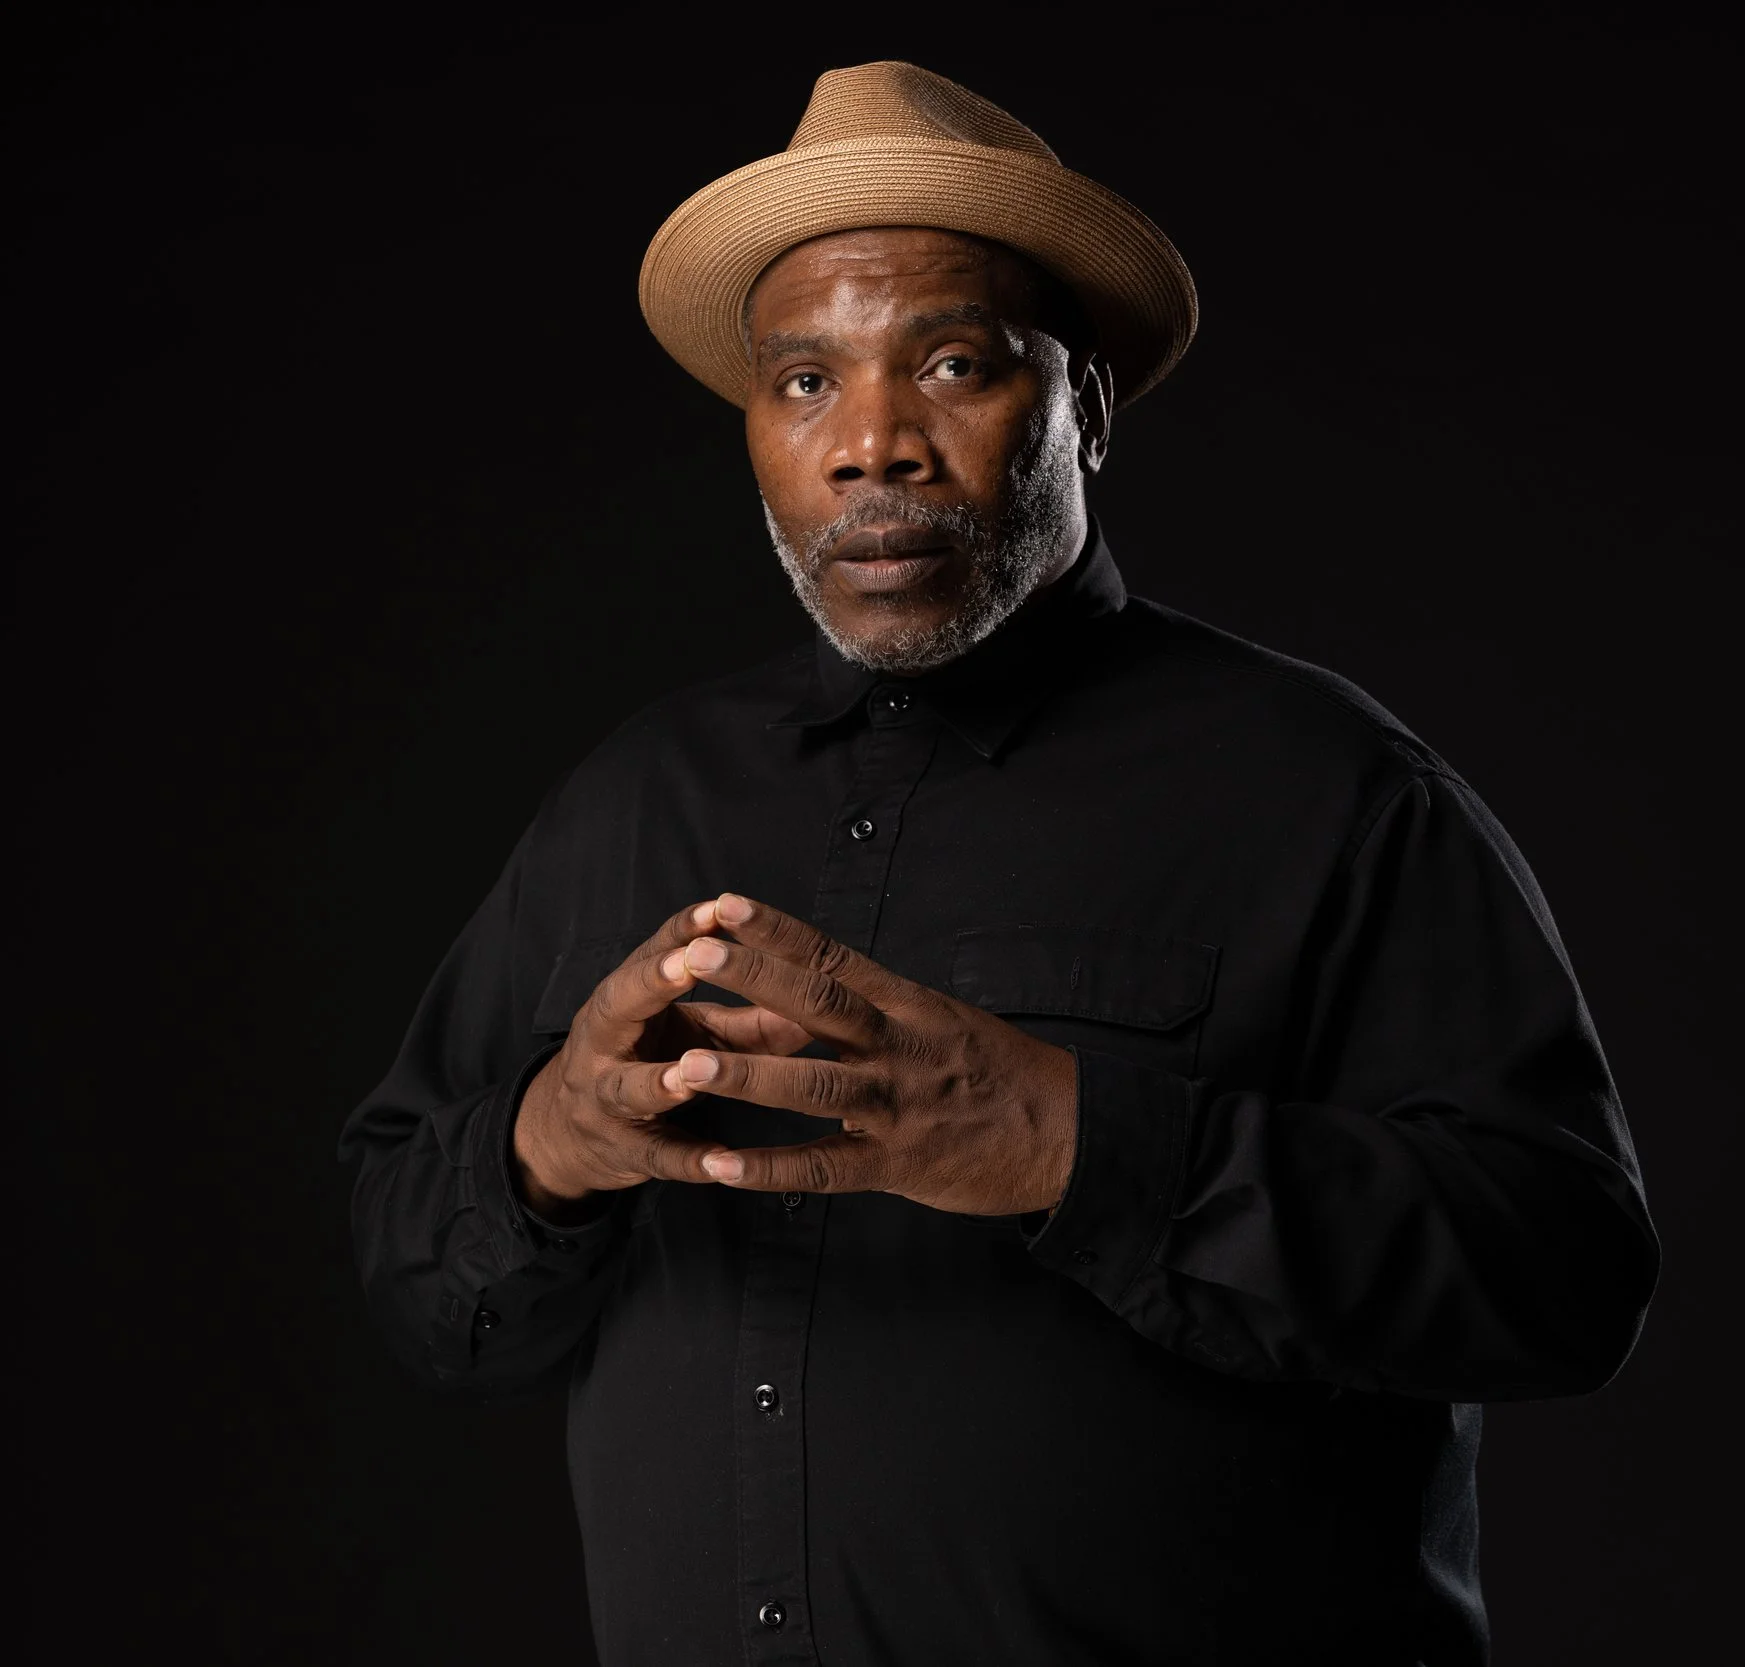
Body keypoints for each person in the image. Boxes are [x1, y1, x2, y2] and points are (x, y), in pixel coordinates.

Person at [341, 60, 1658, 1666]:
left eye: (952, 365)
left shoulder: (1330, 792)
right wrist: (550, 1140)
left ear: (1083, 405)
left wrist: (1069, 1143)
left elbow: (1565, 1275)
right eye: (805, 380)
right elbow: (421, 1280)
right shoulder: (629, 802)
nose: (871, 445)